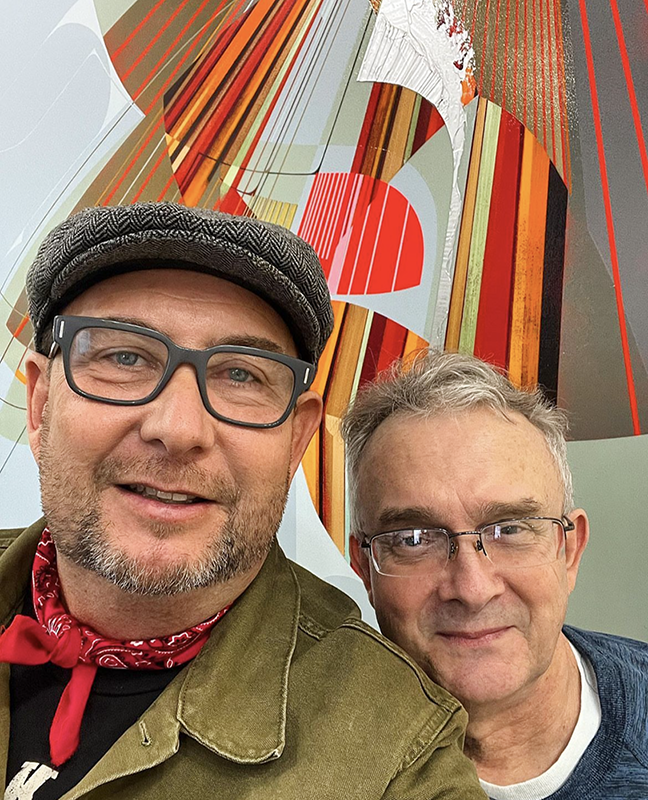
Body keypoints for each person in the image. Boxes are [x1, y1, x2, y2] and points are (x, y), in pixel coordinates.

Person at [0, 204, 485, 800]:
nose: (178, 428)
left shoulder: (401, 763)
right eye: (125, 357)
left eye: (241, 376)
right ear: (41, 406)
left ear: (296, 440)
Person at [341, 349, 648, 800]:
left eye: (510, 529)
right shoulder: (305, 757)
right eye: (414, 539)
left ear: (569, 551)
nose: (472, 589)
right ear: (366, 569)